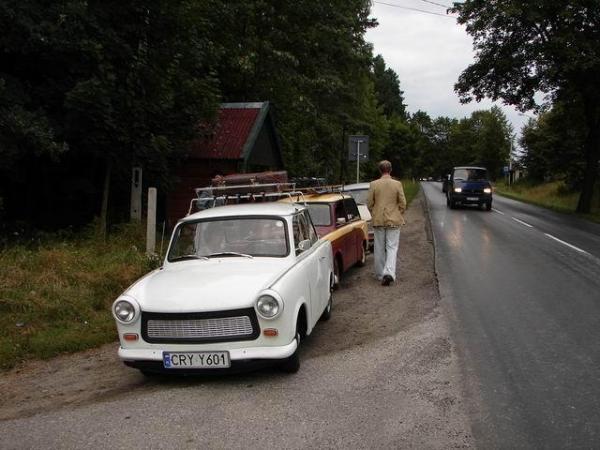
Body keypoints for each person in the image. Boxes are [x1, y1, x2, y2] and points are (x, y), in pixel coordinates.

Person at [367, 160, 406, 286]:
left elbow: (369, 203)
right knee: (392, 247)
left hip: (378, 219)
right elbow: (403, 203)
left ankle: (380, 274)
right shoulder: (397, 184)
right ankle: (388, 272)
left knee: (379, 247)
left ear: (380, 170)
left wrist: (374, 213)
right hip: (394, 220)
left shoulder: (373, 184)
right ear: (390, 170)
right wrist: (398, 213)